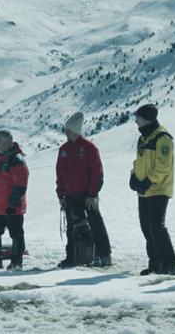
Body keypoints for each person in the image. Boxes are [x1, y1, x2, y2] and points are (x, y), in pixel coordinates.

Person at [55, 112, 112, 268]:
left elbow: (97, 173)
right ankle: (72, 256)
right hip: (70, 195)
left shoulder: (89, 148)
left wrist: (93, 194)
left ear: (74, 130)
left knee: (96, 224)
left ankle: (104, 255)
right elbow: (59, 173)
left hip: (87, 195)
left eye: (68, 130)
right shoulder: (64, 150)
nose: (66, 133)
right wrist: (61, 194)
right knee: (71, 227)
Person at [129, 104, 175, 276]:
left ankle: (169, 264)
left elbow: (164, 166)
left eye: (138, 118)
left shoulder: (162, 138)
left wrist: (148, 181)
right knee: (147, 228)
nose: (136, 121)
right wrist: (134, 176)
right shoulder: (143, 138)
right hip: (144, 191)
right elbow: (139, 161)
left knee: (157, 227)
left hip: (158, 189)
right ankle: (155, 264)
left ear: (146, 118)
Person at [0, 131, 28, 270]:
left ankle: (17, 262)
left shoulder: (16, 160)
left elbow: (20, 184)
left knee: (16, 234)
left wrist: (13, 203)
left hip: (11, 208)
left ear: (7, 143)